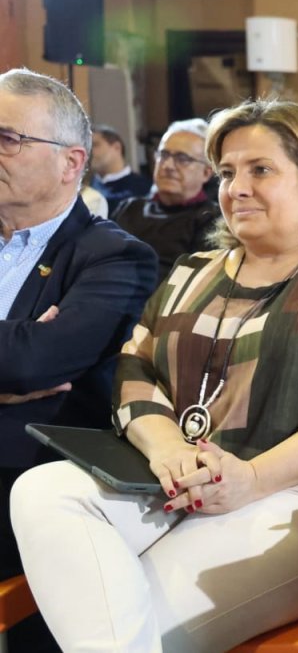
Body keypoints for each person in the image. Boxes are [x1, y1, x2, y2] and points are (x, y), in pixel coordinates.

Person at [11, 98, 298, 651]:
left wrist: (249, 480)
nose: (238, 187)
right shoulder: (193, 273)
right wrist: (166, 451)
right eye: (228, 172)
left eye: (261, 170)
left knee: (118, 618)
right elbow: (135, 369)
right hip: (173, 480)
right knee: (43, 489)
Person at [0, 67, 156, 595]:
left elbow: (32, 364)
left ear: (72, 162)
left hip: (23, 478)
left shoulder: (115, 256)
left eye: (8, 138)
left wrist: (22, 356)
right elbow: (17, 360)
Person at [110, 118, 221, 283]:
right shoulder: (129, 208)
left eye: (182, 158)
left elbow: (194, 286)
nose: (168, 165)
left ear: (206, 172)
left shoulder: (211, 219)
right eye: (163, 155)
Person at [91, 124, 152, 203]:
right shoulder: (83, 188)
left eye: (95, 145)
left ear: (117, 147)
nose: (89, 151)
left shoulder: (144, 189)